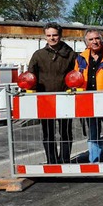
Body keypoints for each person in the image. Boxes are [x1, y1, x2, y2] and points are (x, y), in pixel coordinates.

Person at [27, 22, 77, 164]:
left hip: (65, 98)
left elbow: (76, 74)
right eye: (49, 35)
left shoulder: (70, 54)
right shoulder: (38, 55)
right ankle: (52, 161)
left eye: (55, 35)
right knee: (48, 133)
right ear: (45, 36)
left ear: (60, 35)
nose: (52, 38)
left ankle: (65, 160)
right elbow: (31, 76)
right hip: (45, 99)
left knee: (65, 132)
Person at [75, 29, 103, 163]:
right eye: (91, 39)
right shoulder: (80, 58)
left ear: (102, 40)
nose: (95, 41)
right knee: (93, 134)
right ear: (86, 42)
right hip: (88, 101)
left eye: (97, 38)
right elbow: (76, 79)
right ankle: (94, 162)